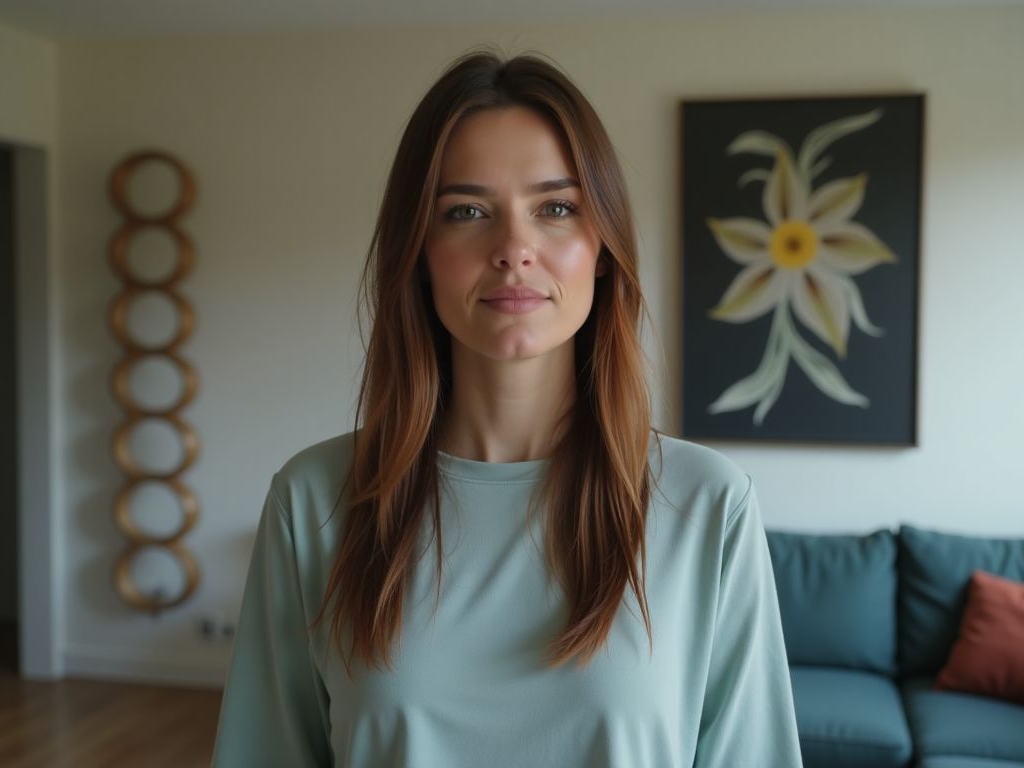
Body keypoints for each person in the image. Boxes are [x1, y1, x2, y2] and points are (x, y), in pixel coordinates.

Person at [211, 50, 802, 768]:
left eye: (555, 208)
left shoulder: (709, 506)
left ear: (603, 249)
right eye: (466, 212)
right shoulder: (313, 501)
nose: (514, 248)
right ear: (419, 252)